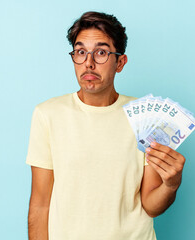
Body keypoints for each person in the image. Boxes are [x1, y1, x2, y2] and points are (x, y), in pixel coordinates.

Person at [26, 11, 186, 240]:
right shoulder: (47, 114)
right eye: (81, 52)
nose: (88, 63)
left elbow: (151, 205)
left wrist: (170, 185)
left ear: (120, 62)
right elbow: (40, 204)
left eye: (101, 52)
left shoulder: (147, 117)